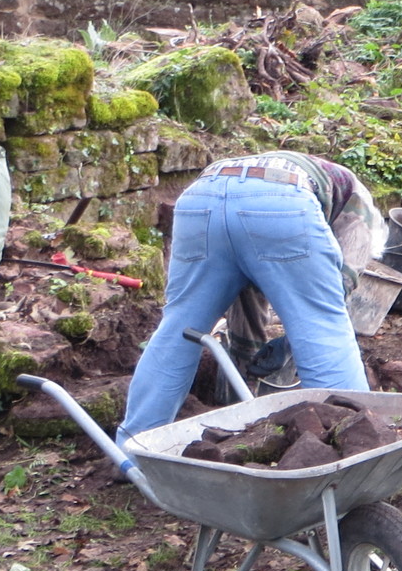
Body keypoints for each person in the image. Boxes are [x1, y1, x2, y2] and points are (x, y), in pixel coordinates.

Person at [117, 152, 384, 442]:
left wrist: (247, 364)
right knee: (324, 327)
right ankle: (354, 443)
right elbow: (337, 289)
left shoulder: (317, 179)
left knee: (179, 329)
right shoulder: (360, 204)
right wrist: (294, 342)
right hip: (281, 200)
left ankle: (135, 443)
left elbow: (248, 292)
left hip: (202, 196)